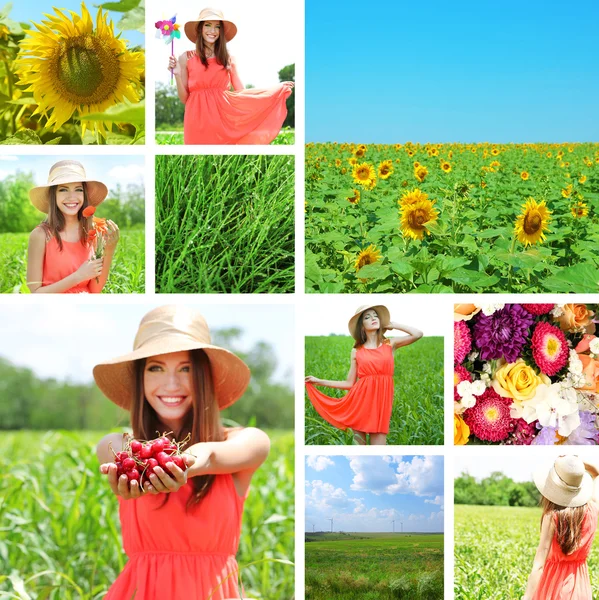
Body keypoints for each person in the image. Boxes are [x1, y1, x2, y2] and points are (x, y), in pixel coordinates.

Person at [94, 305, 270, 600]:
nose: (172, 384)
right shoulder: (119, 445)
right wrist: (142, 468)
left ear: (203, 376)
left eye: (186, 368)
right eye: (156, 368)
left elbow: (212, 455)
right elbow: (112, 451)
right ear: (141, 378)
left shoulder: (246, 441)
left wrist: (186, 464)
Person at [167, 8, 294, 145]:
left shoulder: (228, 59)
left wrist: (274, 91)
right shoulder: (186, 58)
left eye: (217, 27)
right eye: (208, 25)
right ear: (199, 29)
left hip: (222, 121)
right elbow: (185, 98)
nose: (213, 31)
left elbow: (242, 93)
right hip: (195, 120)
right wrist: (178, 75)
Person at [304, 304, 423, 445]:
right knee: (359, 447)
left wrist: (392, 324)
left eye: (375, 315)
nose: (373, 318)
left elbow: (418, 334)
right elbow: (349, 384)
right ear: (362, 326)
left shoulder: (390, 344)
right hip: (360, 402)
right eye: (367, 317)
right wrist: (319, 381)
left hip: (381, 404)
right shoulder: (357, 351)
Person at [26, 160, 119, 293]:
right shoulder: (40, 235)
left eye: (78, 189)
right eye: (63, 189)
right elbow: (35, 293)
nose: (72, 197)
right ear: (54, 195)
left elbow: (94, 289)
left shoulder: (92, 233)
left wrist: (109, 250)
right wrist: (78, 276)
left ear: (84, 194)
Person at [523, 455, 599, 600]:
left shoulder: (552, 517)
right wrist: (576, 464)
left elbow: (538, 565)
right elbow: (597, 473)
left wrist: (526, 597)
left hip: (553, 587)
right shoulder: (594, 509)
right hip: (581, 588)